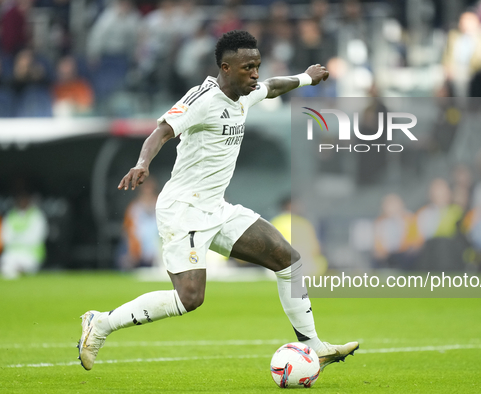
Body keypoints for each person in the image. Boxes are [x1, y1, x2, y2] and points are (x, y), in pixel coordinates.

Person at [78, 30, 358, 372]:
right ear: (225, 68)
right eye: (247, 68)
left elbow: (273, 86)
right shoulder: (202, 100)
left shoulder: (246, 94)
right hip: (185, 210)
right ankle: (101, 323)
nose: (255, 74)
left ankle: (314, 347)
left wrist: (305, 79)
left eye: (257, 65)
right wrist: (142, 163)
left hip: (217, 207)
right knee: (190, 298)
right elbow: (161, 132)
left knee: (287, 259)